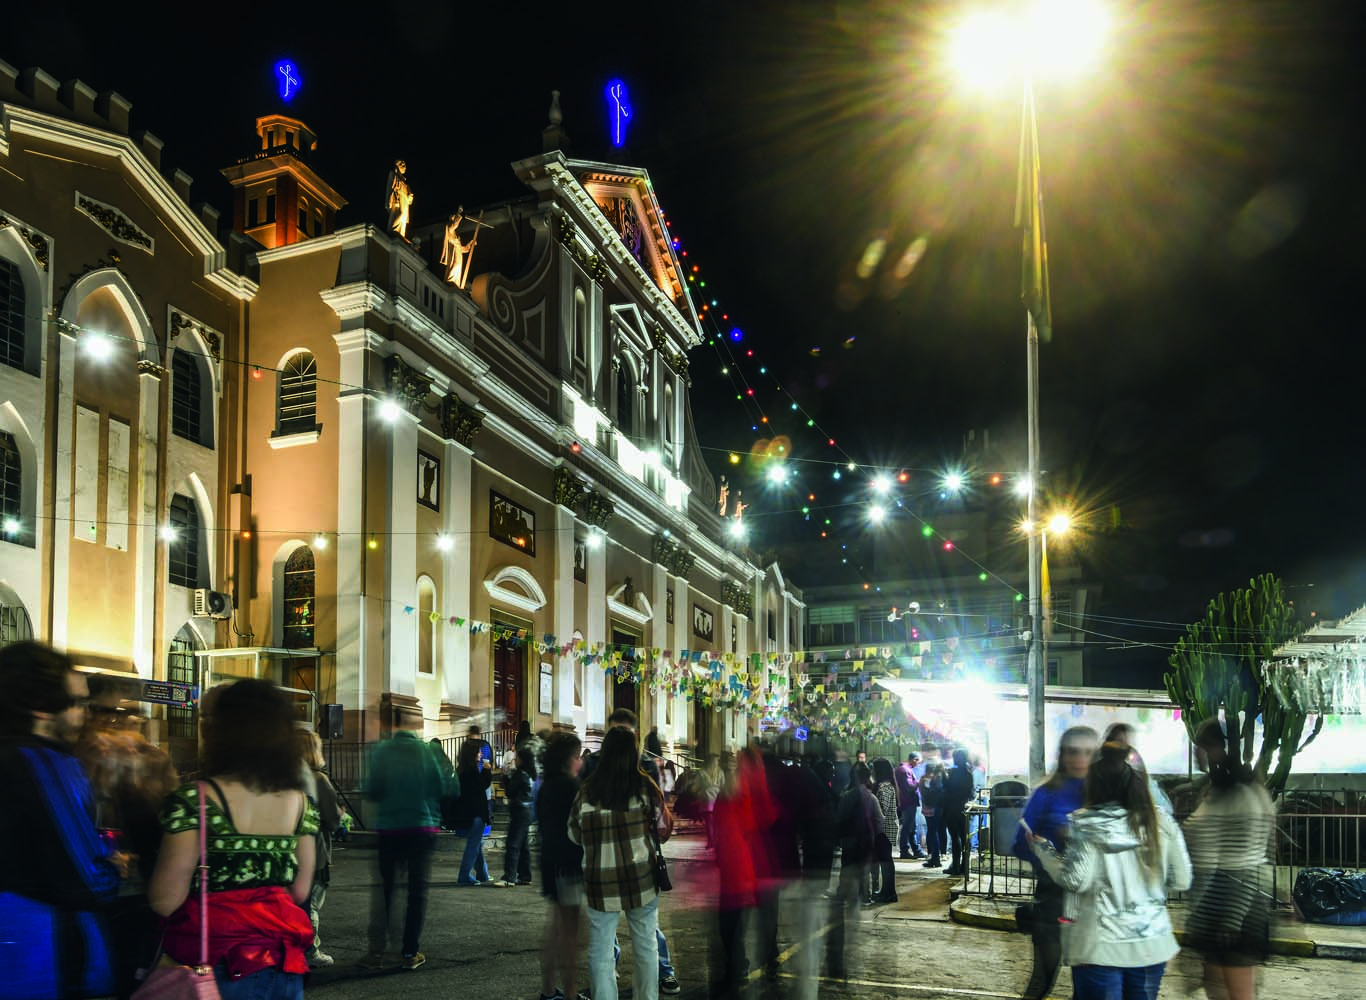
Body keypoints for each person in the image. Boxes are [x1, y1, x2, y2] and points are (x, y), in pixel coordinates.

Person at [149, 679, 317, 999]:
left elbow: (165, 898)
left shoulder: (195, 801)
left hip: (214, 966)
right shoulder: (300, 803)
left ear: (221, 731)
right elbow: (299, 890)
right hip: (283, 964)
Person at [0, 640, 120, 1000]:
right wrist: (113, 868)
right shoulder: (45, 763)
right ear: (41, 707)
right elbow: (89, 880)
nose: (84, 713)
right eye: (77, 702)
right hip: (33, 959)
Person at [1027, 742, 1192, 1000]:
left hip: (1100, 947)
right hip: (1151, 945)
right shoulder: (1161, 821)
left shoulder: (1086, 822)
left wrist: (1044, 851)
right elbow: (1181, 879)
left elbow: (1075, 879)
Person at [580, 708, 681, 996]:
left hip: (601, 879)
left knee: (601, 948)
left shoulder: (587, 789)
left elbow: (574, 832)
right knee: (646, 943)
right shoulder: (646, 786)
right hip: (641, 877)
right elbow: (664, 830)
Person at [1181, 719, 1276, 1000]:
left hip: (1234, 908)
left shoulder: (1241, 796)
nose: (1196, 752)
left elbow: (1249, 862)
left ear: (1216, 750)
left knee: (1236, 993)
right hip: (1216, 906)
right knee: (1217, 989)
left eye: (1201, 746)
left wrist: (1231, 919)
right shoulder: (1218, 789)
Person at [1012, 725, 1099, 1000]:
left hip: (1092, 903)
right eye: (1073, 752)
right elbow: (1019, 844)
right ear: (1062, 754)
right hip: (1053, 899)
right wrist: (1049, 850)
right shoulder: (1046, 793)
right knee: (1042, 980)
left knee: (1088, 985)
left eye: (1087, 752)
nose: (1079, 759)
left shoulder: (1101, 793)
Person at [360, 713, 452, 970]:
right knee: (416, 891)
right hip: (421, 829)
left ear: (394, 724)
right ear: (416, 726)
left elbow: (373, 789)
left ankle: (376, 952)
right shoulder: (426, 751)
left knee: (385, 890)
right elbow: (441, 786)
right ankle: (409, 951)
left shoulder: (382, 751)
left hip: (389, 829)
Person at [537, 732, 586, 1000]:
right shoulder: (571, 786)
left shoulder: (547, 785)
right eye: (578, 756)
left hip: (550, 861)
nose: (581, 762)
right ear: (570, 759)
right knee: (570, 932)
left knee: (556, 927)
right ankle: (570, 992)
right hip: (568, 863)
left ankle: (548, 988)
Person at [827, 761, 878, 980]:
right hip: (865, 845)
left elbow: (838, 819)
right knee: (860, 872)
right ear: (867, 778)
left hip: (849, 843)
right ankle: (858, 898)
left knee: (848, 870)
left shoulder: (847, 796)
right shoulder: (871, 797)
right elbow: (879, 819)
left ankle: (845, 896)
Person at [297, 727, 341, 968]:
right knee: (311, 902)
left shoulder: (280, 778)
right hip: (313, 848)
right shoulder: (317, 779)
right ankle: (310, 949)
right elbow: (332, 819)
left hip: (286, 849)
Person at [1103, 722, 1175, 817]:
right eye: (1120, 743)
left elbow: (1166, 810)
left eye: (1130, 743)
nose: (1127, 748)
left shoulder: (1142, 777)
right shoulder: (1099, 774)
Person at [454, 738, 494, 885]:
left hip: (469, 813)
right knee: (473, 845)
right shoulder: (471, 771)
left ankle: (483, 874)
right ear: (472, 754)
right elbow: (482, 785)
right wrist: (486, 770)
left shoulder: (462, 770)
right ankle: (464, 876)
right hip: (475, 814)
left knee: (477, 844)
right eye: (477, 751)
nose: (480, 754)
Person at [499, 744, 536, 886]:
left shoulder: (520, 774)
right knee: (523, 845)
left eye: (517, 757)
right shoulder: (530, 774)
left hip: (519, 811)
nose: (515, 759)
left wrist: (506, 780)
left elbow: (510, 792)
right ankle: (525, 875)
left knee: (513, 844)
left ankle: (509, 877)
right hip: (527, 811)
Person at [869, 757, 899, 902]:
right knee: (884, 859)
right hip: (884, 826)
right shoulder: (884, 785)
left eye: (874, 769)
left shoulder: (885, 787)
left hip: (885, 827)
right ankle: (886, 891)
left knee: (885, 860)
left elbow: (882, 809)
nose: (872, 771)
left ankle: (889, 893)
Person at [943, 748, 976, 877]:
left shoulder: (950, 773)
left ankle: (955, 865)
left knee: (954, 837)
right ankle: (965, 866)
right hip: (964, 808)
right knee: (964, 838)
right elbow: (971, 793)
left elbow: (945, 788)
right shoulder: (969, 774)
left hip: (951, 808)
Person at [894, 751, 924, 859]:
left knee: (912, 827)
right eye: (918, 762)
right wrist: (919, 781)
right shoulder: (904, 770)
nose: (918, 765)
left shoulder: (903, 769)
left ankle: (916, 849)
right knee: (907, 827)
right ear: (914, 759)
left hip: (907, 802)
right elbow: (909, 787)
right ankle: (904, 850)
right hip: (908, 802)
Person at [918, 761, 947, 868]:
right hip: (937, 809)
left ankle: (935, 858)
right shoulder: (938, 778)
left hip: (930, 809)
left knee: (932, 832)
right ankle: (937, 856)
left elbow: (925, 794)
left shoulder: (926, 779)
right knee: (935, 832)